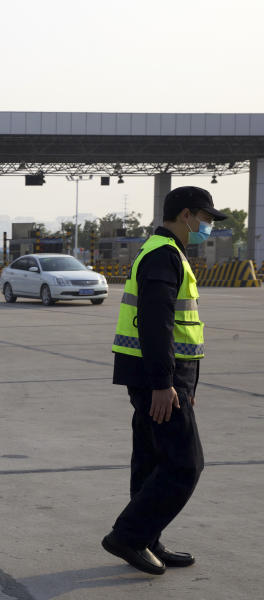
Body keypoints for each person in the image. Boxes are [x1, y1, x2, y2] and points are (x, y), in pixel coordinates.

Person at [103, 186, 227, 574]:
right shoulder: (163, 255)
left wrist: (184, 384)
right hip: (156, 375)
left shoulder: (166, 251)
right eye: (205, 220)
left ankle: (147, 538)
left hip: (163, 374)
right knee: (185, 463)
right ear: (186, 214)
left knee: (152, 458)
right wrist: (163, 383)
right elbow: (157, 324)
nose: (207, 227)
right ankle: (128, 536)